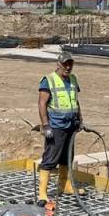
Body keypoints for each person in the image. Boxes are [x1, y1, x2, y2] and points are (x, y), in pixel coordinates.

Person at [38, 50, 82, 204]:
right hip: (56, 126)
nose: (68, 67)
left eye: (70, 64)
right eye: (65, 64)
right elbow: (42, 103)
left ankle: (65, 185)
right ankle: (42, 193)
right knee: (50, 158)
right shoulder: (48, 80)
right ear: (59, 64)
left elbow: (75, 101)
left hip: (70, 125)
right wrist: (45, 125)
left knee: (67, 157)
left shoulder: (73, 79)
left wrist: (79, 118)